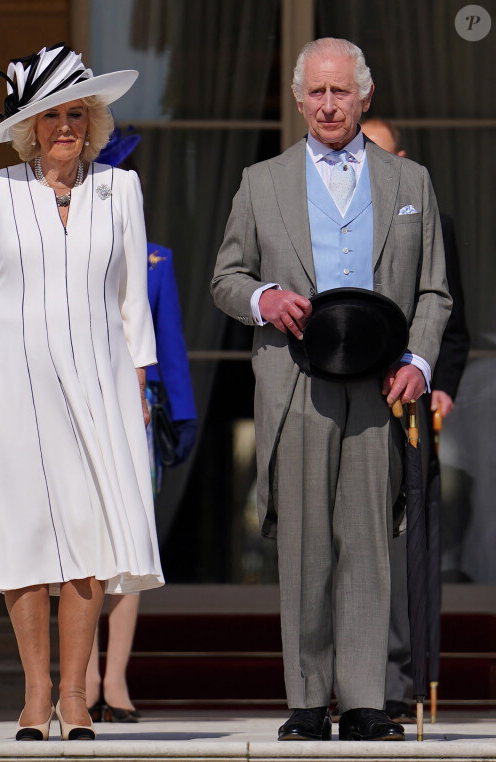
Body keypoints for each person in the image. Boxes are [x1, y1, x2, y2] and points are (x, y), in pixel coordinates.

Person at [211, 37, 452, 742]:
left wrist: (422, 364)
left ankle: (369, 701)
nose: (327, 104)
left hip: (380, 387)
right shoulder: (262, 181)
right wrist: (264, 300)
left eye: (339, 92)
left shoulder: (413, 185)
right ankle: (308, 701)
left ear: (364, 96)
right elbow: (226, 277)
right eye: (315, 92)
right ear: (297, 99)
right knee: (308, 545)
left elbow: (435, 291)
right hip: (296, 384)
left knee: (370, 545)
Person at [0, 43, 164, 741]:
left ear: (91, 121)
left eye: (75, 114)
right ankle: (34, 696)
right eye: (50, 116)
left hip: (99, 387)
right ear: (30, 128)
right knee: (22, 539)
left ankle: (75, 696)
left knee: (91, 538)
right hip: (14, 385)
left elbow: (133, 302)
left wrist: (139, 384)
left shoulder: (119, 190)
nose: (64, 126)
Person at [85, 128, 198, 722]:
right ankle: (80, 680)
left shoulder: (158, 260)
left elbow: (171, 347)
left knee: (130, 546)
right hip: (77, 410)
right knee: (81, 547)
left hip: (138, 417)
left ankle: (116, 681)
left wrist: (183, 416)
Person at [361, 118, 470, 722]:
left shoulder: (435, 224)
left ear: (401, 159)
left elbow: (455, 324)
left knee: (408, 548)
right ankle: (346, 677)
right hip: (347, 404)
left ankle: (399, 681)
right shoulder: (333, 225)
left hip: (410, 403)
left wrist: (441, 384)